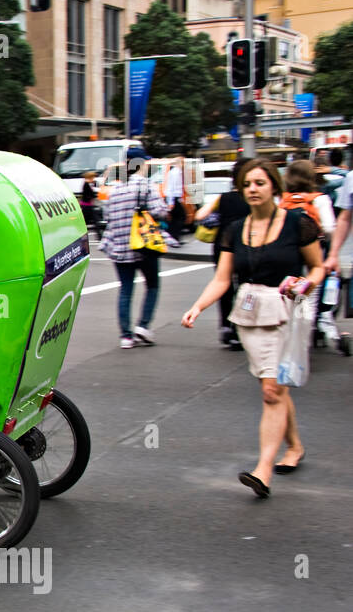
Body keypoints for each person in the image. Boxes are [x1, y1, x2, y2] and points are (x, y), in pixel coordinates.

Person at [180, 158, 326, 499]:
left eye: (259, 183)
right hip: (250, 314)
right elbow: (222, 279)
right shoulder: (235, 229)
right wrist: (197, 307)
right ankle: (295, 446)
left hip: (287, 311)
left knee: (272, 389)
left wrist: (305, 284)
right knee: (272, 383)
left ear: (274, 185)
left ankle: (263, 470)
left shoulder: (297, 224)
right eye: (247, 184)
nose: (253, 189)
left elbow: (318, 267)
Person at [98, 162, 168, 348]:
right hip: (143, 246)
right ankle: (143, 326)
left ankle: (126, 336)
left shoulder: (114, 190)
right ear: (140, 166)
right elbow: (159, 211)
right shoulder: (145, 185)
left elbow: (107, 217)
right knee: (152, 285)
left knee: (125, 291)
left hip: (119, 248)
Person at [195, 157, 251, 350]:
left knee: (224, 286)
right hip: (247, 246)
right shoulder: (253, 198)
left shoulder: (223, 198)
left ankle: (226, 327)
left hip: (222, 245)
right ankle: (241, 327)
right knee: (246, 287)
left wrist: (219, 216)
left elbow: (199, 215)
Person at [280, 160, 336, 237]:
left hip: (286, 244)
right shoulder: (320, 199)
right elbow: (329, 229)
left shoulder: (281, 198)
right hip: (313, 244)